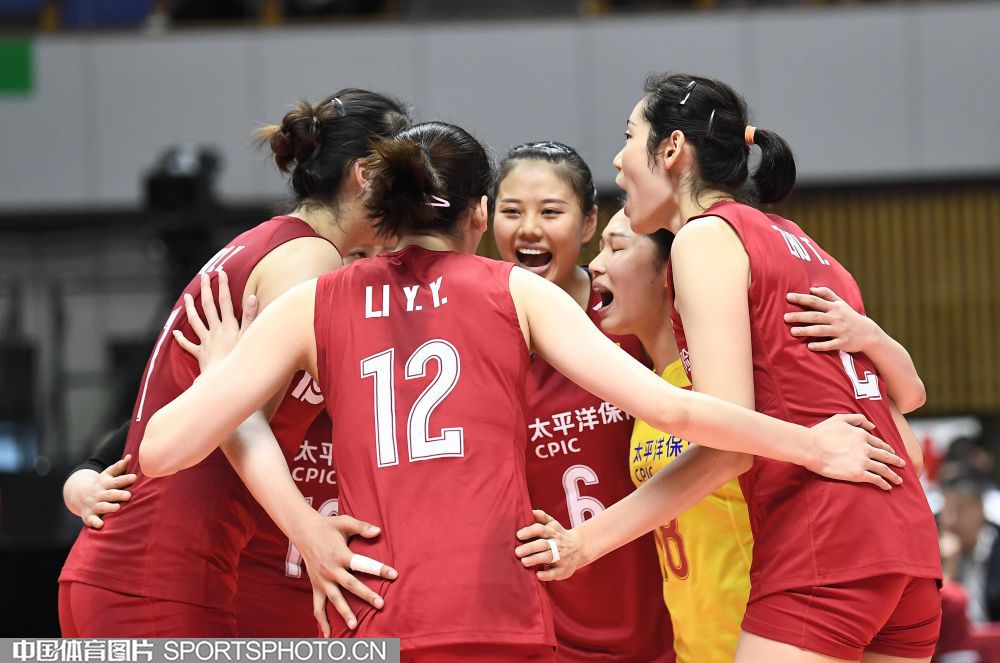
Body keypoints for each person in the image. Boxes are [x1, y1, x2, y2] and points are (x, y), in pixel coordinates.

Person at [140, 120, 905, 657]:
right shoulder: (512, 290)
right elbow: (671, 406)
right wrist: (813, 444)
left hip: (374, 615)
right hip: (495, 611)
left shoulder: (314, 303)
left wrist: (220, 373)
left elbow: (162, 449)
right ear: (480, 212)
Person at [516, 72, 941, 663]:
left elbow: (726, 446)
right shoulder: (807, 246)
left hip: (826, 543)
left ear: (671, 150)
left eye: (628, 137)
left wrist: (583, 543)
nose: (617, 160)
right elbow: (907, 446)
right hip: (910, 552)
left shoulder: (705, 238)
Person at [58, 89, 411, 637]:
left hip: (135, 570)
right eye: (405, 176)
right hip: (157, 576)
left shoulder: (270, 245)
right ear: (365, 175)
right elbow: (237, 421)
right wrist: (309, 532)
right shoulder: (310, 257)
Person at [590, 206, 934, 663]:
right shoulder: (648, 387)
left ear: (670, 272)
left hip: (775, 629)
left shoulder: (751, 375)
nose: (595, 265)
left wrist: (581, 544)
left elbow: (904, 448)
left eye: (615, 247)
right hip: (697, 647)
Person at [492, 142, 673, 661]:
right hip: (546, 627)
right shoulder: (477, 329)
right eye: (511, 212)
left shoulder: (628, 312)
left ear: (589, 222)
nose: (529, 229)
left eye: (551, 212)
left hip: (661, 615)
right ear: (485, 217)